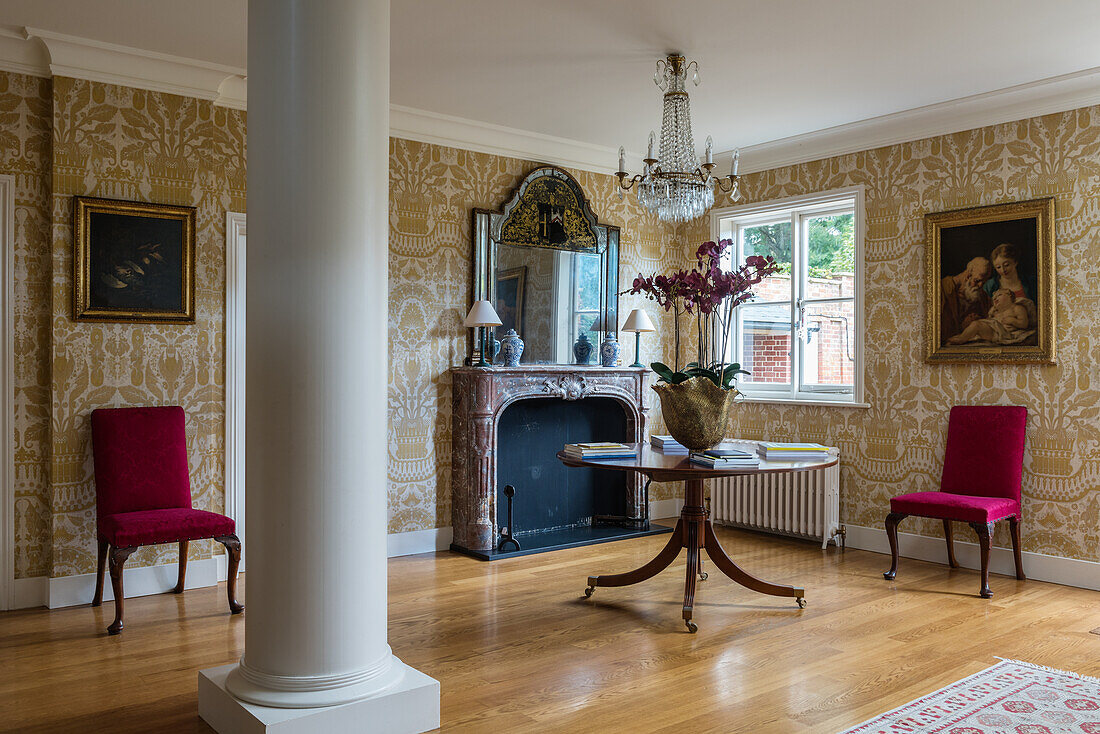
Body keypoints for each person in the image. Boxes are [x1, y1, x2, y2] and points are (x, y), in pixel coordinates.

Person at [947, 288, 1030, 345]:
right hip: (993, 332)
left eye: (999, 295)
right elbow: (990, 321)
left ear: (1009, 295)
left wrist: (1013, 321)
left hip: (1003, 334)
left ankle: (961, 339)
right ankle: (962, 336)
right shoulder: (997, 311)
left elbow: (1024, 324)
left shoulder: (1017, 308)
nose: (995, 298)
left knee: (977, 325)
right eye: (994, 298)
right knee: (976, 325)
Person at [940, 256, 992, 342]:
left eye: (984, 282)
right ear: (968, 276)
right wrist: (963, 327)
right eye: (977, 281)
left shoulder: (982, 295)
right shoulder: (943, 289)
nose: (980, 286)